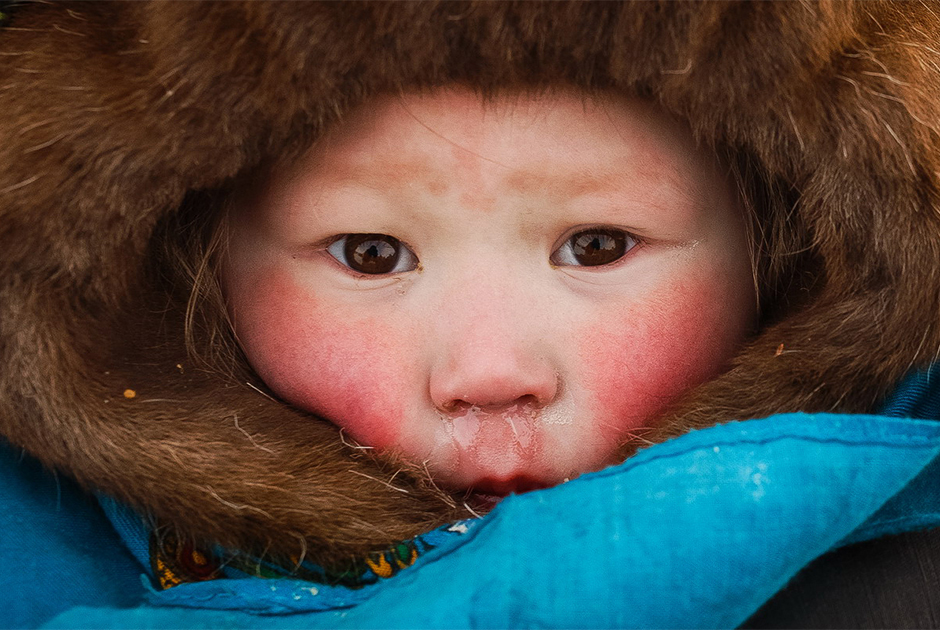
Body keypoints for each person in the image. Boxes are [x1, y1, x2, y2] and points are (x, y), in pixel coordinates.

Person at [2, 2, 940, 628]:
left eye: (598, 246)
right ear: (189, 268)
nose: (489, 370)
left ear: (787, 249)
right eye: (372, 256)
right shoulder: (38, 535)